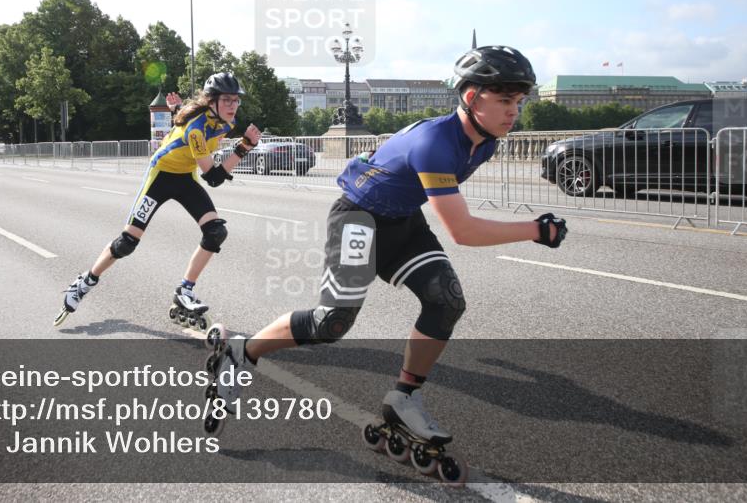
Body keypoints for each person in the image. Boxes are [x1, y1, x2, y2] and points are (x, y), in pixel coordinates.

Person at [205, 46, 568, 452]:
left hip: (401, 220)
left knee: (446, 301)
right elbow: (462, 231)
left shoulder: (484, 142)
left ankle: (404, 398)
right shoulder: (436, 143)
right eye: (505, 100)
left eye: (519, 101)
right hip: (358, 219)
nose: (514, 111)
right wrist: (535, 230)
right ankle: (242, 352)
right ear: (471, 97)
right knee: (332, 324)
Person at [54, 72, 262, 327]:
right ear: (211, 101)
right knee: (127, 242)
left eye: (236, 100)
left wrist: (177, 111)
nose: (233, 106)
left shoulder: (226, 123)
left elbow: (185, 122)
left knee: (216, 232)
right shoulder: (196, 129)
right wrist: (244, 147)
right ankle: (85, 282)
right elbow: (214, 178)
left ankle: (185, 290)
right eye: (227, 100)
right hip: (161, 177)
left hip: (185, 177)